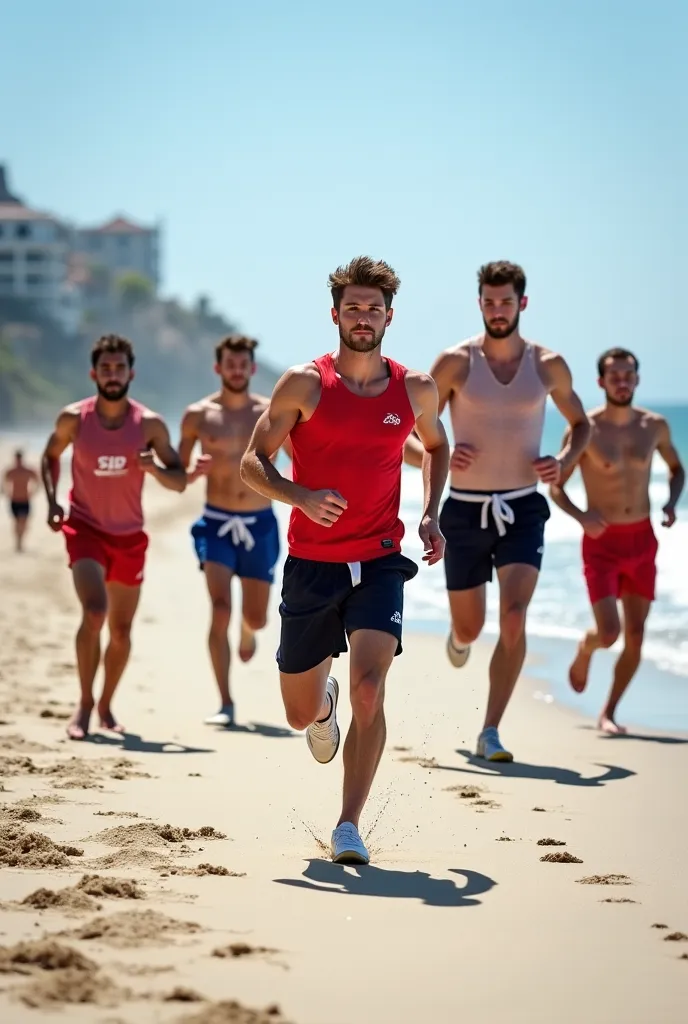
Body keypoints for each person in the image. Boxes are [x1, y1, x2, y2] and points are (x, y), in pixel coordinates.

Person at [240, 256, 449, 864]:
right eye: (353, 307)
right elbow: (254, 462)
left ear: (390, 316)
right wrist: (300, 496)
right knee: (298, 712)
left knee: (370, 688)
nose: (364, 317)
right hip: (313, 563)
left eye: (374, 308)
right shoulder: (305, 384)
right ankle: (320, 702)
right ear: (336, 314)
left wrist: (432, 511)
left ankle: (348, 824)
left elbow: (436, 444)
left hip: (381, 560)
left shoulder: (415, 388)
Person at [405, 260, 590, 762]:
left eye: (506, 301)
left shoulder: (547, 364)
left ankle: (490, 731)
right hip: (464, 511)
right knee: (469, 628)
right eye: (489, 301)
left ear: (522, 303)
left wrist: (564, 461)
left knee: (514, 617)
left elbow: (581, 424)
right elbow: (407, 436)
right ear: (480, 303)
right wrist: (433, 453)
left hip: (523, 508)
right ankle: (460, 639)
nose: (497, 310)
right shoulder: (455, 363)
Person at [41, 334, 186, 740]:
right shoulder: (74, 418)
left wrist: (154, 468)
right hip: (84, 527)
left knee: (121, 632)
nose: (112, 375)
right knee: (94, 612)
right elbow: (50, 455)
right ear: (93, 373)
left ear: (131, 373)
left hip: (129, 537)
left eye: (119, 367)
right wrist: (54, 501)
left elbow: (178, 481)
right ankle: (84, 704)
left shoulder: (150, 424)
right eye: (104, 368)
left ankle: (106, 705)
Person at [550, 347, 685, 734]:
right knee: (609, 633)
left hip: (643, 540)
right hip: (602, 543)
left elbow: (677, 469)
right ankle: (586, 647)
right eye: (615, 376)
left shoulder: (655, 426)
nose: (622, 382)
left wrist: (672, 503)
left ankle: (609, 712)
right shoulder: (585, 429)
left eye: (629, 375)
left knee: (637, 635)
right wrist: (581, 516)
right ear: (601, 382)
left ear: (637, 380)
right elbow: (556, 485)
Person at [179, 334, 291, 727]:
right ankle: (225, 702)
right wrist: (184, 473)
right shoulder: (198, 415)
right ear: (219, 367)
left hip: (260, 524)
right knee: (220, 607)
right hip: (215, 523)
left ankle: (249, 631)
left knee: (257, 618)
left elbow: (305, 458)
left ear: (252, 368)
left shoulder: (270, 412)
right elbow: (178, 474)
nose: (237, 369)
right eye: (230, 363)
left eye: (243, 363)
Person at [3, 449, 38, 552]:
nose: (18, 461)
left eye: (19, 459)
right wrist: (6, 492)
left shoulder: (28, 471)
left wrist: (33, 492)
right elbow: (4, 483)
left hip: (25, 499)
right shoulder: (10, 471)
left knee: (24, 521)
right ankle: (18, 542)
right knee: (16, 521)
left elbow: (37, 481)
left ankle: (21, 541)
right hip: (14, 500)